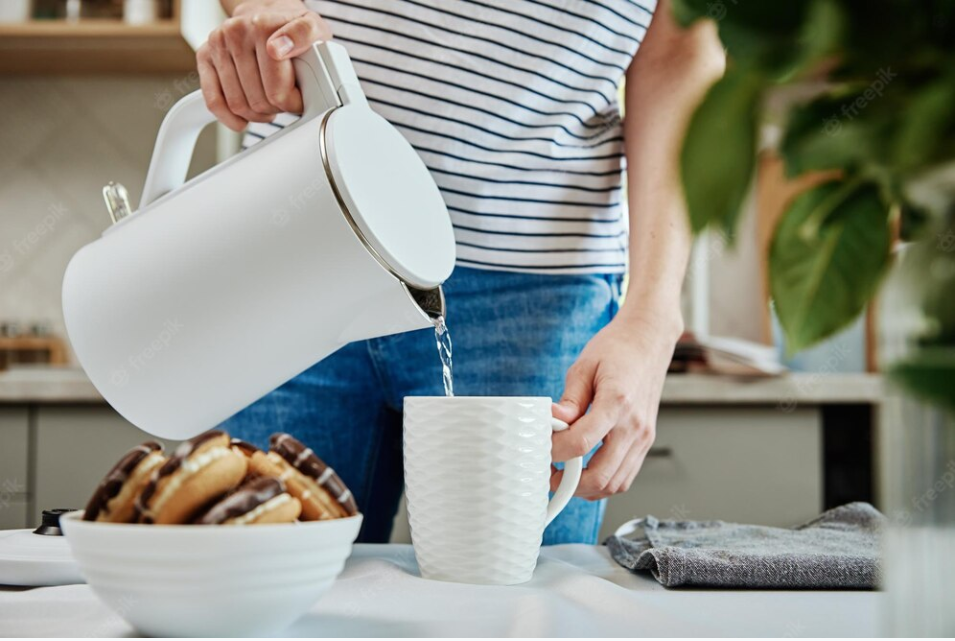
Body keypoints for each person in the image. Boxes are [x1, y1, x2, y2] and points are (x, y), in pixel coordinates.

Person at [205, 0, 724, 543]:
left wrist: (652, 317)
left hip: (532, 288)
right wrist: (260, 14)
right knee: (260, 600)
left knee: (515, 611)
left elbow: (680, 49)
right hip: (296, 240)